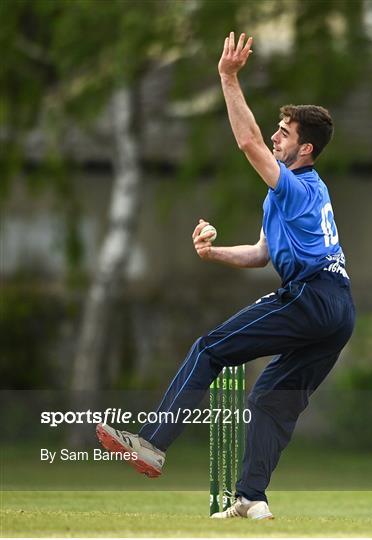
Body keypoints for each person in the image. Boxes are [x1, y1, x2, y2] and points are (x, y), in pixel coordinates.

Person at [96, 32, 355, 520]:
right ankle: (253, 499)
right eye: (277, 128)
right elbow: (261, 254)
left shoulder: (296, 187)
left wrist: (227, 76)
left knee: (210, 348)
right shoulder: (295, 191)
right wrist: (213, 253)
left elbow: (246, 140)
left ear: (306, 149)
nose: (276, 136)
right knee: (271, 399)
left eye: (285, 131)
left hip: (313, 296)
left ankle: (152, 444)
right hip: (339, 309)